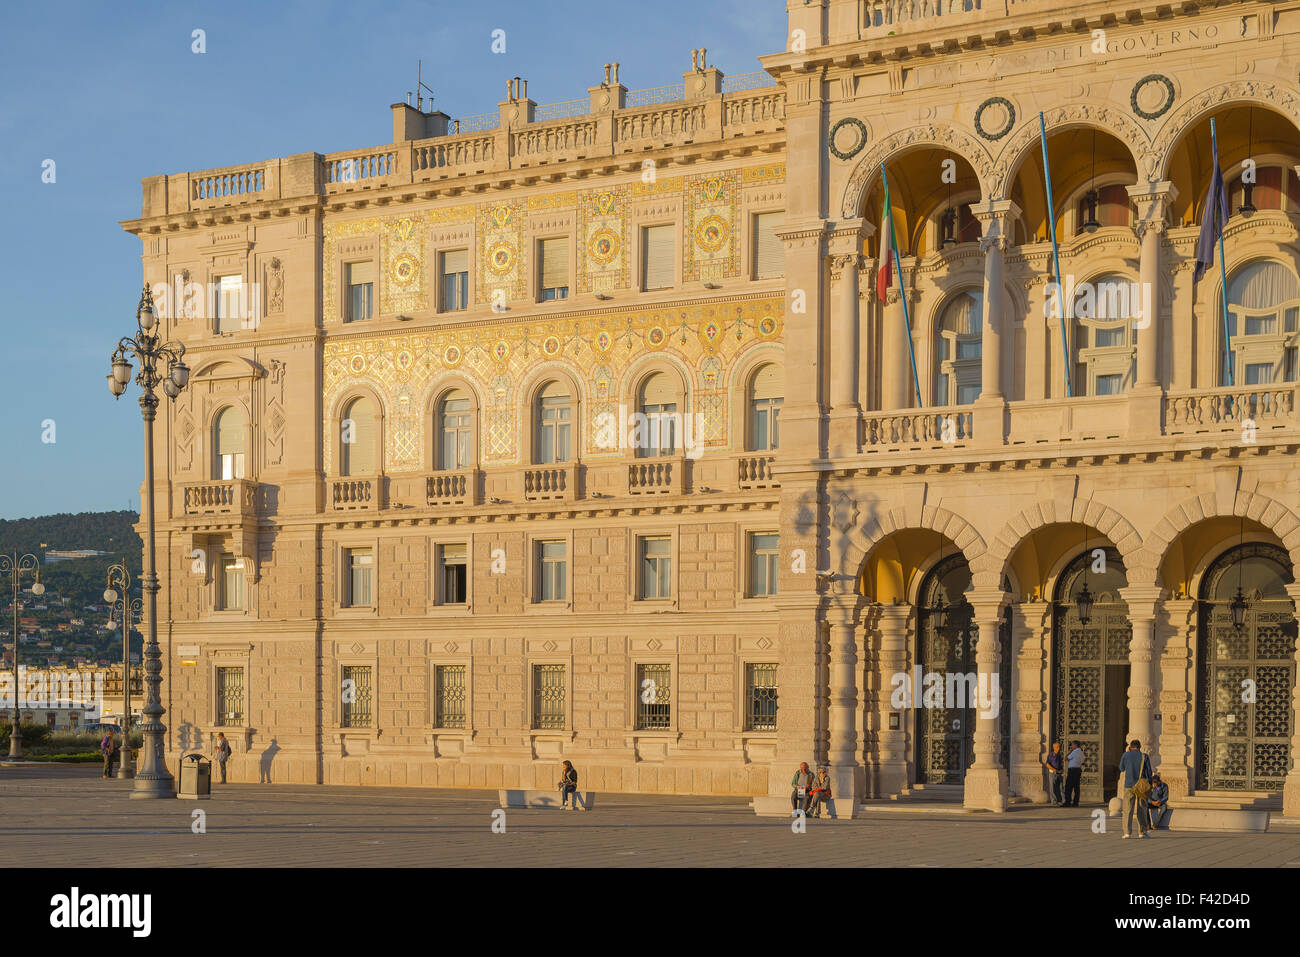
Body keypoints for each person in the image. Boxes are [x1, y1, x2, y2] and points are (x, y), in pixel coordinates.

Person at [1117, 739, 1153, 839]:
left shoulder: (1125, 755)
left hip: (1129, 785)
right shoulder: (1144, 756)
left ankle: (1127, 832)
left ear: (1130, 747)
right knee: (1142, 809)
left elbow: (1121, 768)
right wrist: (1150, 785)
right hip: (1141, 786)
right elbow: (1149, 772)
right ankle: (1142, 832)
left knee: (1127, 809)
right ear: (1140, 747)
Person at [1064, 741, 1084, 808]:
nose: (1071, 746)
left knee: (1068, 787)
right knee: (1076, 787)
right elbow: (1083, 760)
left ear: (1075, 745)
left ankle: (1067, 802)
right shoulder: (1081, 752)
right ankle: (1075, 803)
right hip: (1078, 770)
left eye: (1072, 745)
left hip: (1072, 771)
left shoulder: (1074, 752)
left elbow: (1066, 758)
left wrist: (1070, 751)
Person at [1044, 741, 1064, 806]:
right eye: (1057, 747)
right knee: (1052, 787)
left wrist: (1062, 769)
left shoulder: (1059, 755)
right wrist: (1054, 769)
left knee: (1060, 787)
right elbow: (1047, 764)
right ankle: (1053, 800)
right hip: (1052, 773)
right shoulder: (1051, 755)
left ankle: (1060, 800)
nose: (1059, 748)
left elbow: (1060, 764)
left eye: (1059, 747)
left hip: (1059, 773)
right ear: (1054, 748)